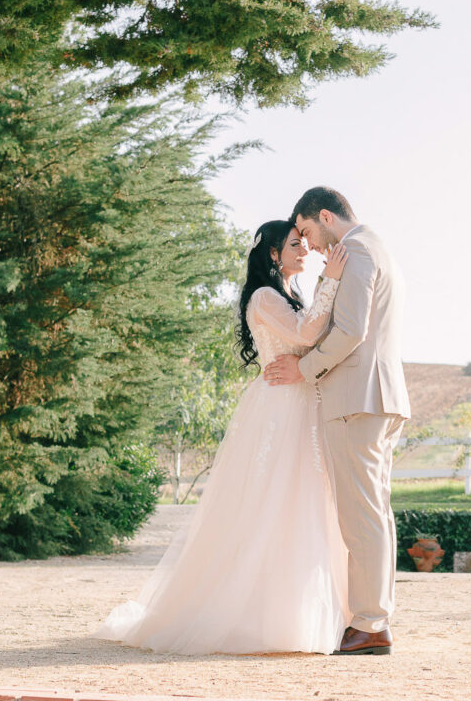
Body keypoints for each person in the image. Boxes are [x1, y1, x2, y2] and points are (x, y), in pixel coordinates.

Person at [93, 220, 350, 655]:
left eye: (305, 242)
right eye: (295, 243)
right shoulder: (265, 297)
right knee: (271, 504)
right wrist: (332, 279)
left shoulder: (290, 295)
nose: (304, 248)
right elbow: (307, 333)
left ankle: (306, 612)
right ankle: (259, 617)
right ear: (273, 254)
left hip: (302, 404)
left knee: (302, 506)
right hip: (279, 410)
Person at [264, 188, 410, 657]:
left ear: (325, 216)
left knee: (361, 516)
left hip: (355, 400)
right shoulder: (377, 246)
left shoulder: (359, 250)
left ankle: (370, 623)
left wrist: (303, 369)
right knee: (375, 513)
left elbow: (351, 330)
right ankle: (373, 617)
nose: (313, 245)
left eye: (308, 231)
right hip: (377, 398)